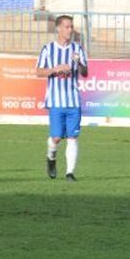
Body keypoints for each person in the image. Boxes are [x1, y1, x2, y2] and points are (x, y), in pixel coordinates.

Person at [36, 14, 89, 181]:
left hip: (73, 101)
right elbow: (39, 71)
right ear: (58, 28)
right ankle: (51, 156)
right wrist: (55, 69)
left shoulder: (77, 49)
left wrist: (79, 63)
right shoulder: (48, 49)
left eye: (71, 26)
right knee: (57, 138)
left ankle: (70, 173)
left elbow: (85, 73)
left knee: (73, 137)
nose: (70, 30)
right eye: (67, 26)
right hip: (56, 101)